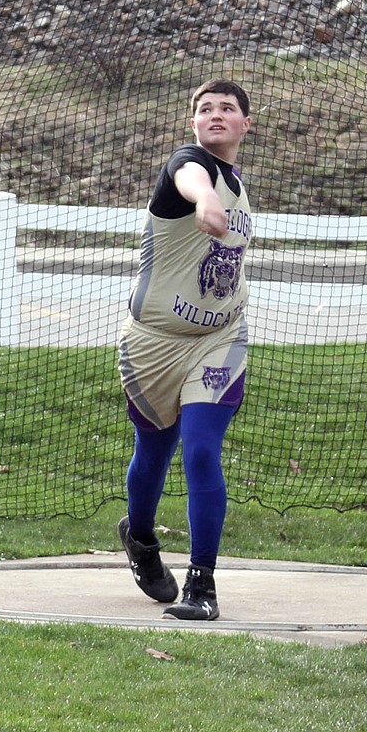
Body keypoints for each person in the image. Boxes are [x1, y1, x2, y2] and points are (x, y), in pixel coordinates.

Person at [116, 79, 255, 621]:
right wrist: (203, 201)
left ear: (247, 123)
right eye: (205, 109)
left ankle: (202, 584)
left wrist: (218, 202)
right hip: (153, 342)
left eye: (228, 108)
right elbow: (191, 179)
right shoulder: (187, 166)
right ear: (193, 123)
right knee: (153, 451)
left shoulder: (238, 185)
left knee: (200, 450)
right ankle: (142, 539)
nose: (216, 115)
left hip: (219, 340)